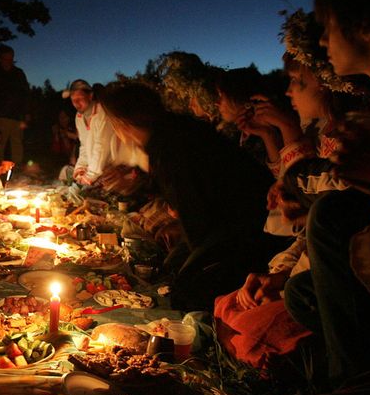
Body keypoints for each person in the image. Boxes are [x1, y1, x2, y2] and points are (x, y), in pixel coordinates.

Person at [281, 0, 370, 384]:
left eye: (330, 27)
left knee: (333, 215)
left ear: (367, 25)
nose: (322, 42)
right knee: (302, 293)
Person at [99, 81, 275, 311]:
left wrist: (192, 263)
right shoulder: (171, 131)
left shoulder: (172, 147)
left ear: (123, 124)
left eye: (114, 125)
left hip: (250, 230)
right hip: (238, 220)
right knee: (174, 265)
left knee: (185, 289)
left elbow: (197, 218)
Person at [0, 44, 30, 165]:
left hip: (16, 116)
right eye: (5, 58)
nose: (8, 61)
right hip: (0, 115)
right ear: (0, 58)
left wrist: (26, 113)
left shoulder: (18, 73)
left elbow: (25, 93)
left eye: (11, 58)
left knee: (17, 145)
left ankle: (17, 170)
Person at [64, 79, 118, 185]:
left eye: (80, 99)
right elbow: (84, 146)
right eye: (73, 100)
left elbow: (101, 146)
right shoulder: (79, 117)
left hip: (110, 170)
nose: (76, 104)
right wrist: (80, 169)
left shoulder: (102, 112)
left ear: (90, 96)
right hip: (94, 171)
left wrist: (89, 176)